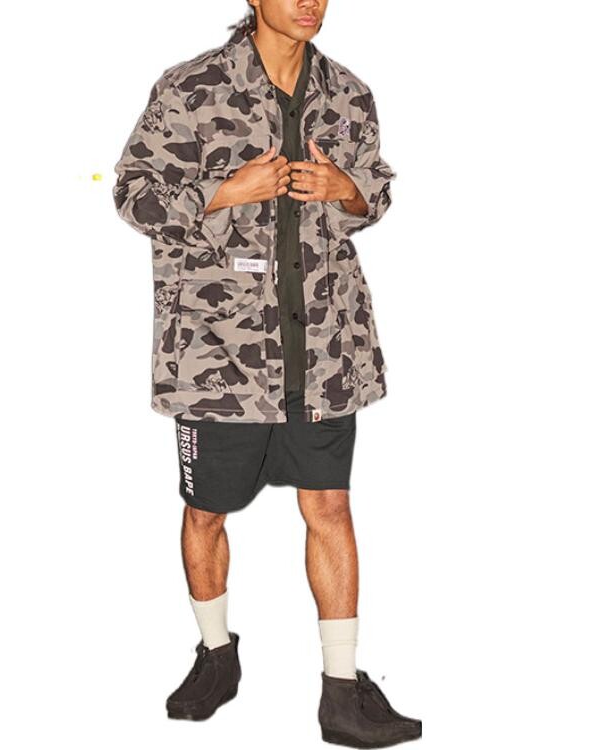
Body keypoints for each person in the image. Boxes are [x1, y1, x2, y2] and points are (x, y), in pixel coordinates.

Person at [112, 1, 421, 746]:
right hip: (218, 353)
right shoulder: (191, 87)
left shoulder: (348, 92)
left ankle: (341, 689)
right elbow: (131, 191)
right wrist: (227, 190)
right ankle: (216, 655)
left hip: (323, 348)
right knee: (206, 513)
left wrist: (346, 189)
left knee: (331, 508)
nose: (310, 0)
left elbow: (376, 190)